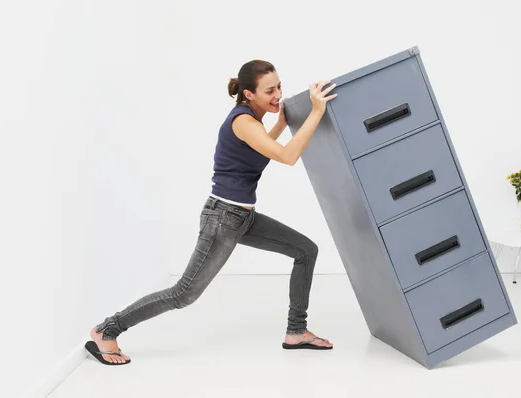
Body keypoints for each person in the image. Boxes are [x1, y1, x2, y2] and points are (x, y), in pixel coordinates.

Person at [85, 59, 338, 365]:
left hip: (241, 218)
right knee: (184, 293)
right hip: (223, 218)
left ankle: (296, 331)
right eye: (269, 90)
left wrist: (282, 123)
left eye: (279, 87)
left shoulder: (252, 123)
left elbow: (260, 154)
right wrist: (316, 112)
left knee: (305, 250)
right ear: (248, 94)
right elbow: (287, 156)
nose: (277, 94)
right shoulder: (243, 122)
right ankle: (106, 330)